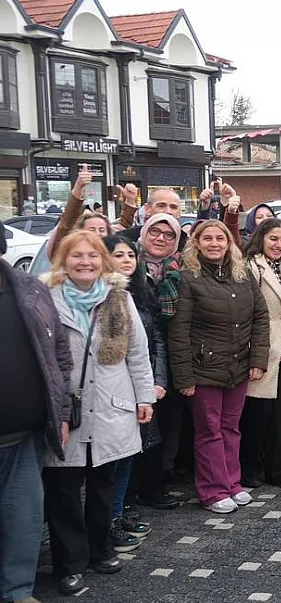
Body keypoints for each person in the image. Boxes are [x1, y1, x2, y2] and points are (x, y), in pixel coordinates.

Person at [43, 231, 154, 596]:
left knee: (103, 486)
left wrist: (144, 398)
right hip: (64, 409)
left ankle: (99, 549)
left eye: (92, 255)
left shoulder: (119, 299)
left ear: (103, 261)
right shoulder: (47, 299)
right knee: (63, 490)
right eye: (77, 256)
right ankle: (69, 563)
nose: (85, 262)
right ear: (63, 260)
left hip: (111, 405)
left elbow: (138, 354)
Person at [169, 220, 268, 514]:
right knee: (209, 430)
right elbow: (179, 331)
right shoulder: (188, 278)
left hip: (237, 366)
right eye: (207, 239)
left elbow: (260, 317)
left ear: (229, 243)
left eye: (220, 238)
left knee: (231, 428)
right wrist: (184, 376)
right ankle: (212, 490)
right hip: (203, 370)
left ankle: (232, 483)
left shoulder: (242, 274)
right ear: (196, 243)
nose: (215, 244)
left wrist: (257, 360)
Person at [0, 219, 72, 603]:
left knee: (23, 521)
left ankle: (17, 591)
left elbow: (58, 354)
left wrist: (59, 412)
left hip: (23, 437)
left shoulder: (28, 288)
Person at [102, 235, 165, 553]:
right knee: (111, 461)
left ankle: (119, 513)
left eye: (131, 254)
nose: (127, 260)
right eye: (118, 254)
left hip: (139, 386)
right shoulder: (103, 297)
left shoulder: (139, 293)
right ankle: (107, 520)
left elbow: (153, 339)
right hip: (111, 390)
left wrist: (154, 382)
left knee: (129, 455)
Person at [239, 219, 281, 489]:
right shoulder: (250, 266)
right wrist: (257, 352)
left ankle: (278, 469)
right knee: (257, 412)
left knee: (280, 413)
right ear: (261, 238)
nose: (279, 245)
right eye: (273, 239)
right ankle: (250, 469)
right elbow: (247, 313)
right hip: (259, 346)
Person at [127, 213, 186, 512]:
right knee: (140, 428)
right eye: (155, 232)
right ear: (143, 233)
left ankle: (157, 482)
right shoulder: (128, 265)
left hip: (173, 357)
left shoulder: (178, 269)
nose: (161, 238)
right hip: (138, 359)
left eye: (168, 234)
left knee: (167, 425)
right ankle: (135, 490)